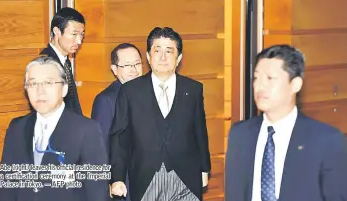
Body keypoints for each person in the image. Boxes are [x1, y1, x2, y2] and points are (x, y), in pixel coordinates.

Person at [225, 44, 347, 201]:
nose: (259, 86)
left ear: (295, 85)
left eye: (270, 78)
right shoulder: (240, 135)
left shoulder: (326, 141)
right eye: (256, 78)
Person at [110, 27, 211, 201]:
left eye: (169, 51)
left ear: (178, 58)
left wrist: (204, 169)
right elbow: (120, 137)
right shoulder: (130, 91)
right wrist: (117, 178)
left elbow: (199, 131)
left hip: (186, 177)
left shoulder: (193, 89)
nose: (163, 57)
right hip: (146, 177)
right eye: (157, 50)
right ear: (148, 56)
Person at [0, 56, 108, 201]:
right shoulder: (17, 127)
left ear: (64, 89)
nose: (40, 91)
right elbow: (6, 186)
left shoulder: (87, 130)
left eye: (48, 83)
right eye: (33, 84)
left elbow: (97, 192)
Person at [91, 43, 143, 201]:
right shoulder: (106, 100)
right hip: (123, 182)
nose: (134, 69)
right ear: (114, 69)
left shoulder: (149, 93)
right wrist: (111, 182)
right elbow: (100, 148)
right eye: (127, 65)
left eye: (137, 64)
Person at [40, 7, 85, 115]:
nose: (79, 41)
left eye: (82, 34)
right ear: (57, 31)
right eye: (74, 34)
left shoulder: (65, 61)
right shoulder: (45, 63)